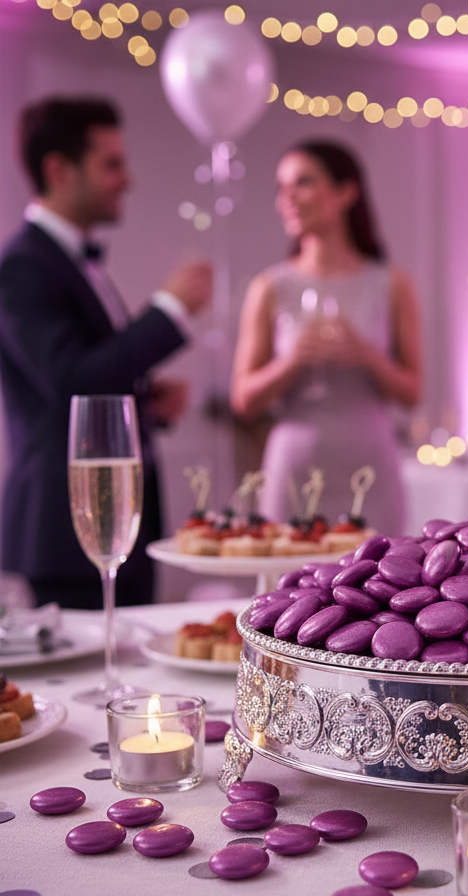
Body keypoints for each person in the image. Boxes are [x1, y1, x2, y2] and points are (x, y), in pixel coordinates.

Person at [0, 96, 212, 608]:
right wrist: (169, 310)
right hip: (67, 528)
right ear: (59, 170)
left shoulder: (73, 261)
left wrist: (145, 398)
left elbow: (86, 373)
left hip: (119, 516)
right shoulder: (24, 266)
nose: (127, 179)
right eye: (111, 164)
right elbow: (73, 379)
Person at [231, 140, 422, 535]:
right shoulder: (270, 287)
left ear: (346, 192)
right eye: (280, 187)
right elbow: (244, 400)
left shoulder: (392, 283)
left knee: (380, 586)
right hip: (295, 470)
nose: (287, 198)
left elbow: (412, 393)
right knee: (292, 591)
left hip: (370, 471)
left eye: (302, 182)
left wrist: (367, 355)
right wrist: (292, 360)